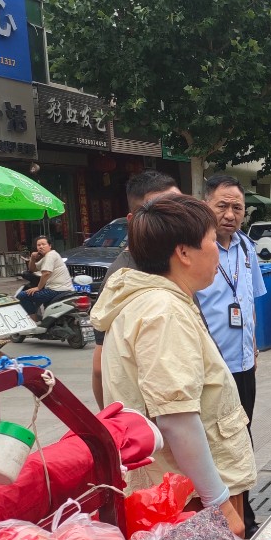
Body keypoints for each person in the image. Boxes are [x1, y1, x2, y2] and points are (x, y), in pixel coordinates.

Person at [91, 194, 255, 537]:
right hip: (189, 500)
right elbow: (177, 419)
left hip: (184, 493)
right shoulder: (163, 311)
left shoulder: (157, 301)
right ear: (183, 253)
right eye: (211, 240)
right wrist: (220, 502)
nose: (217, 251)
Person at [198, 174, 266, 537]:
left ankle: (244, 512)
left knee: (242, 439)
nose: (229, 214)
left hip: (242, 365)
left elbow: (250, 302)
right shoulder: (196, 248)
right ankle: (216, 517)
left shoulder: (245, 249)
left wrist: (252, 344)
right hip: (209, 369)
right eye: (221, 205)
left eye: (236, 207)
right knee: (210, 443)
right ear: (205, 205)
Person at [92, 170, 181, 410]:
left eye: (180, 208)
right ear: (134, 220)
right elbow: (100, 368)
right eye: (162, 213)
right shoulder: (122, 277)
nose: (178, 219)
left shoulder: (172, 260)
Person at [17, 236, 74, 317]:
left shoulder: (50, 256)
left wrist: (38, 288)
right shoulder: (47, 257)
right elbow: (32, 269)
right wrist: (32, 258)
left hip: (56, 290)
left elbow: (46, 273)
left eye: (43, 244)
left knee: (22, 296)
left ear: (50, 246)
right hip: (61, 289)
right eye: (38, 245)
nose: (41, 247)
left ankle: (34, 320)